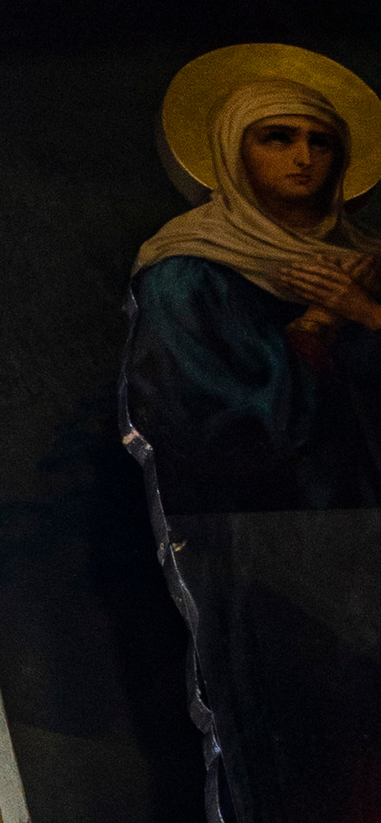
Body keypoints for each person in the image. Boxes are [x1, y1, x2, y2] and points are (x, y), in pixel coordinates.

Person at [122, 63, 381, 510]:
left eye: (321, 143)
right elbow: (208, 426)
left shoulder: (371, 261)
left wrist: (366, 312)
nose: (304, 158)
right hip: (268, 519)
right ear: (232, 150)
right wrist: (317, 325)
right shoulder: (185, 273)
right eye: (278, 137)